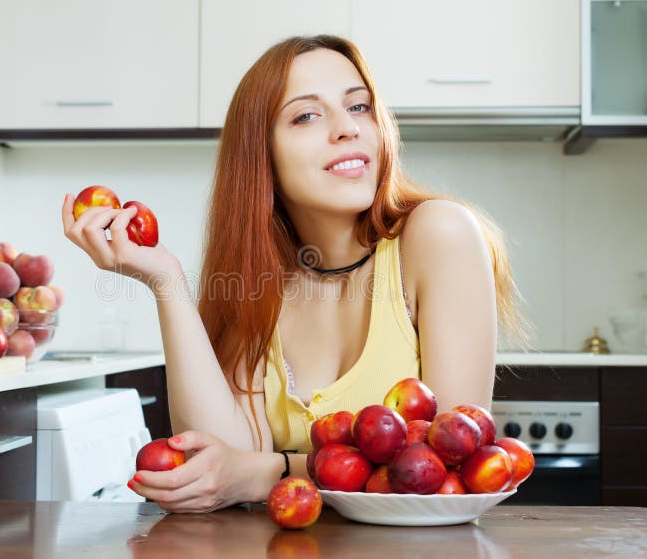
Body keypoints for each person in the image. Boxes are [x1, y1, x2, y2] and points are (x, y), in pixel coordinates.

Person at [61, 35, 526, 513]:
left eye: (360, 106)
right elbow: (215, 467)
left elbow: (450, 466)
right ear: (261, 155)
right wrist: (165, 281)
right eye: (307, 115)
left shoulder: (437, 234)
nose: (347, 128)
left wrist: (270, 471)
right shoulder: (259, 282)